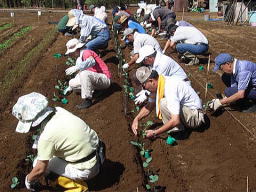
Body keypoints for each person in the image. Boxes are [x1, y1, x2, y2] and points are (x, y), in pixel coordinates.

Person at [12, 92, 104, 191]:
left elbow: (40, 169)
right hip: (99, 151)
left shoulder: (46, 137)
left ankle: (78, 187)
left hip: (89, 169)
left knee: (37, 164)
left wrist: (28, 180)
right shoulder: (59, 110)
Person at [132, 67, 205, 138]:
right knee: (163, 102)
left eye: (143, 86)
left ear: (151, 81)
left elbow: (175, 120)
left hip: (196, 117)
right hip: (188, 112)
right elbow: (150, 105)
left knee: (163, 102)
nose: (144, 89)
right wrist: (137, 119)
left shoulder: (170, 87)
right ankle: (178, 128)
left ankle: (180, 132)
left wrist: (155, 132)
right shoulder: (160, 82)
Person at [64, 38, 112, 109]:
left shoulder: (86, 52)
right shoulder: (79, 59)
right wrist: (70, 87)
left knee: (84, 74)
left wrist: (77, 67)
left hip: (105, 79)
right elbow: (80, 73)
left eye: (72, 52)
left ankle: (88, 100)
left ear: (77, 49)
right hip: (96, 80)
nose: (72, 55)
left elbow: (91, 61)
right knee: (72, 83)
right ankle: (97, 91)